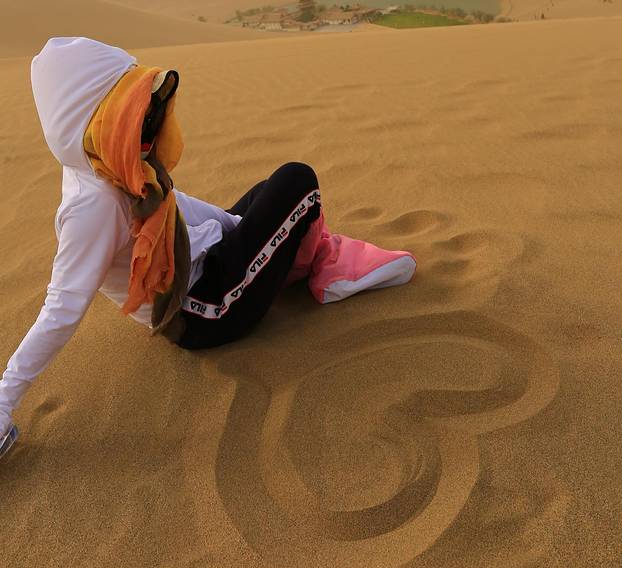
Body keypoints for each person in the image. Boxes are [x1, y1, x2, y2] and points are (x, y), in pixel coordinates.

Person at [0, 37, 416, 458]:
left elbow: (177, 207)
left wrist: (241, 232)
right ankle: (322, 265)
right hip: (205, 311)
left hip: (203, 262)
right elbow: (61, 307)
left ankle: (305, 253)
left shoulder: (107, 163)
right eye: (130, 107)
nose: (146, 115)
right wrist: (4, 399)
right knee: (297, 181)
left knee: (269, 193)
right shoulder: (91, 206)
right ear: (94, 120)